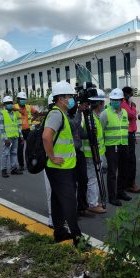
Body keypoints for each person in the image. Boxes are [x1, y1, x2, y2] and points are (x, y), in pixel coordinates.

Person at [42, 81, 81, 243]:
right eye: (69, 96)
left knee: (58, 201)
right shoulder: (56, 114)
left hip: (63, 166)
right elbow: (46, 136)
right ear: (60, 98)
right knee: (70, 202)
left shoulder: (61, 114)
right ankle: (78, 239)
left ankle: (59, 232)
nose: (72, 99)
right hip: (58, 167)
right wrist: (52, 157)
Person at [100, 88, 131, 206]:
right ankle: (112, 197)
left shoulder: (124, 112)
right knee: (112, 172)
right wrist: (102, 151)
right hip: (111, 147)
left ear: (122, 100)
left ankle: (121, 192)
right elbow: (101, 132)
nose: (114, 101)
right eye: (113, 99)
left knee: (124, 170)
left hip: (123, 145)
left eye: (117, 100)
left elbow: (125, 128)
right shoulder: (105, 113)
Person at [82, 89, 107, 214]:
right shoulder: (91, 118)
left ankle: (93, 201)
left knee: (95, 178)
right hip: (91, 154)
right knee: (93, 178)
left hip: (96, 153)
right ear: (100, 104)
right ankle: (93, 203)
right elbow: (91, 138)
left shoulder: (95, 117)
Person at [66, 97, 91, 217]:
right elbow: (73, 126)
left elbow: (80, 133)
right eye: (74, 106)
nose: (75, 107)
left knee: (83, 180)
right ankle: (72, 209)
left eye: (76, 105)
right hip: (70, 154)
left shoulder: (73, 117)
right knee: (72, 184)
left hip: (79, 153)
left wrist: (90, 133)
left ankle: (82, 207)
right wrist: (80, 112)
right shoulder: (65, 118)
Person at [0, 95, 23, 178]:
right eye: (8, 103)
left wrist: (21, 135)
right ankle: (3, 170)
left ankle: (13, 169)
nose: (10, 104)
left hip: (15, 137)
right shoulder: (2, 113)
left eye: (11, 103)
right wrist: (5, 139)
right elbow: (2, 128)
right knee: (5, 154)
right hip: (7, 139)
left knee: (14, 153)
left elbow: (18, 125)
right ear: (5, 105)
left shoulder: (15, 113)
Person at [121, 86, 140, 193]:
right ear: (126, 94)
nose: (132, 97)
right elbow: (131, 114)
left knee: (130, 160)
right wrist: (133, 108)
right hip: (127, 134)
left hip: (131, 134)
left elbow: (133, 119)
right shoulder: (124, 104)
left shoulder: (129, 104)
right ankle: (129, 184)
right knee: (130, 161)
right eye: (131, 95)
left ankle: (129, 182)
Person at [14, 91, 39, 171]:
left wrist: (32, 120)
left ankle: (29, 163)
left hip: (28, 131)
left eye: (24, 99)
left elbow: (36, 113)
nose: (23, 100)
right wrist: (18, 110)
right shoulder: (15, 106)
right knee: (20, 149)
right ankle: (21, 165)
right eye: (21, 99)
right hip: (20, 131)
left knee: (30, 148)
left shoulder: (28, 107)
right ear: (18, 99)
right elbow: (9, 107)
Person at [43, 93, 54, 228]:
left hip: (61, 162)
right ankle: (52, 218)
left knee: (53, 190)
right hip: (51, 162)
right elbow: (46, 139)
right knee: (52, 190)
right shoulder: (50, 120)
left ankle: (55, 216)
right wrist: (52, 157)